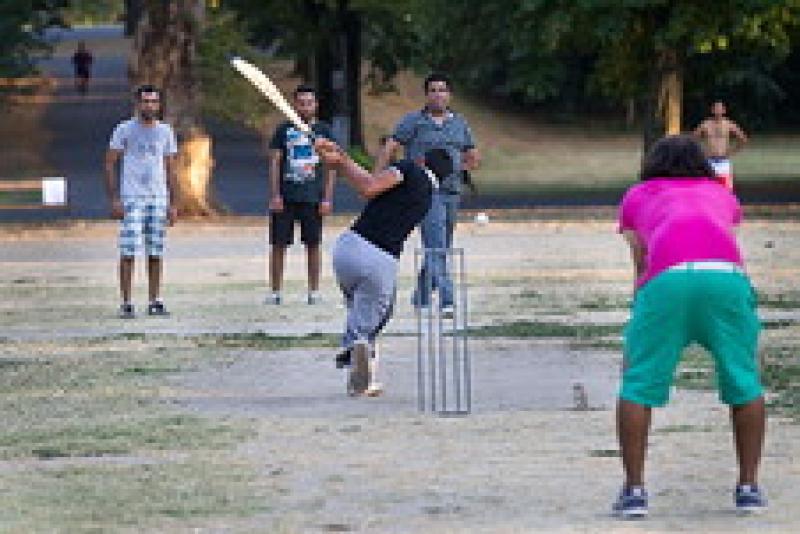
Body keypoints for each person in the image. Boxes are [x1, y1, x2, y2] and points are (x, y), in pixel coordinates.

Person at [614, 135, 766, 518]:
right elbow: (724, 236)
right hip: (726, 277)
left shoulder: (637, 196)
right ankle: (748, 485)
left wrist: (642, 306)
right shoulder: (721, 194)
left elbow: (642, 259)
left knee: (638, 382)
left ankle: (634, 491)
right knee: (744, 379)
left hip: (667, 280)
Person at [314, 138, 453, 397]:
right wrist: (342, 159)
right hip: (379, 260)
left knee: (362, 312)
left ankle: (360, 371)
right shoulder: (426, 199)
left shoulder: (410, 170)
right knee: (373, 320)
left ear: (422, 160)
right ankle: (353, 348)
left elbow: (368, 186)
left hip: (348, 248)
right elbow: (368, 187)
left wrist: (342, 161)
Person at [375, 73, 480, 317]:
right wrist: (376, 178)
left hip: (452, 192)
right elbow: (390, 146)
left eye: (442, 89)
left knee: (441, 246)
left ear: (449, 94)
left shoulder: (460, 123)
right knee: (435, 245)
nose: (438, 94)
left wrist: (462, 166)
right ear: (426, 94)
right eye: (433, 90)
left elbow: (473, 154)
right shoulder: (414, 121)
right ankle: (447, 301)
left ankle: (421, 295)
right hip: (424, 193)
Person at [105, 85, 178, 319]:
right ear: (138, 104)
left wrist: (173, 202)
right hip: (132, 197)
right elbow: (109, 163)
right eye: (145, 101)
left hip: (157, 197)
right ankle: (126, 302)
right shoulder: (124, 130)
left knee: (155, 252)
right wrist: (115, 198)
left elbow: (170, 167)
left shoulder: (165, 131)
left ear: (159, 105)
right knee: (128, 252)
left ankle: (155, 300)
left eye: (154, 101)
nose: (149, 106)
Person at [266, 85, 335, 305]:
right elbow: (275, 162)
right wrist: (275, 194)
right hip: (287, 195)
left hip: (312, 196)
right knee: (278, 244)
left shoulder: (324, 131)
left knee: (313, 244)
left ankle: (314, 291)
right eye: (301, 102)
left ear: (316, 105)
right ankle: (275, 291)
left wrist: (327, 197)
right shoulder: (284, 130)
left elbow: (331, 166)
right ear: (294, 105)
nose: (305, 107)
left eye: (310, 102)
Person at [693, 100, 748, 189]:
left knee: (726, 188)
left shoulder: (729, 124)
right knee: (709, 188)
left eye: (720, 108)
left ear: (724, 111)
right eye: (716, 108)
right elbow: (693, 139)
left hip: (724, 161)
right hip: (710, 161)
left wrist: (731, 151)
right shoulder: (705, 124)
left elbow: (743, 139)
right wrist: (702, 152)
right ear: (712, 110)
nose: (718, 111)